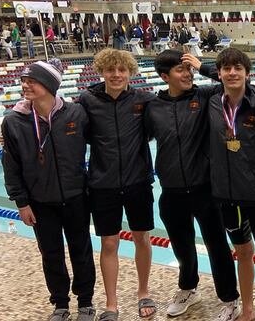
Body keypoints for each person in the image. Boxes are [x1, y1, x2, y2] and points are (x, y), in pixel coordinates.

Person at [145, 51, 242, 320]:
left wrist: (202, 68)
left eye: (187, 69)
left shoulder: (204, 96)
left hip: (205, 188)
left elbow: (231, 83)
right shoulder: (153, 107)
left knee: (217, 246)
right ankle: (188, 289)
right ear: (165, 77)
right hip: (172, 190)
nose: (186, 74)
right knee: (182, 247)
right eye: (180, 70)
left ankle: (230, 299)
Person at [2, 59, 97, 321]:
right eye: (24, 80)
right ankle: (60, 304)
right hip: (40, 202)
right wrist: (21, 202)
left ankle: (86, 302)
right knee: (51, 254)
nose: (25, 85)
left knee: (82, 250)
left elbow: (101, 143)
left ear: (49, 85)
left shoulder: (75, 114)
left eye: (31, 81)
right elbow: (11, 166)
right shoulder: (14, 121)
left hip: (76, 197)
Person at [77, 49, 157, 320]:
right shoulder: (88, 100)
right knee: (109, 244)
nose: (116, 75)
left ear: (130, 73)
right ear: (102, 71)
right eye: (110, 70)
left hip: (138, 181)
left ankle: (143, 292)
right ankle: (111, 304)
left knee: (142, 238)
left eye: (121, 70)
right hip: (103, 184)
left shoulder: (143, 99)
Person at [207, 48, 255, 321]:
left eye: (238, 67)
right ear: (219, 74)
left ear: (248, 73)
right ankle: (248, 308)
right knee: (242, 252)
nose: (232, 73)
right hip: (227, 196)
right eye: (226, 68)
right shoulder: (213, 103)